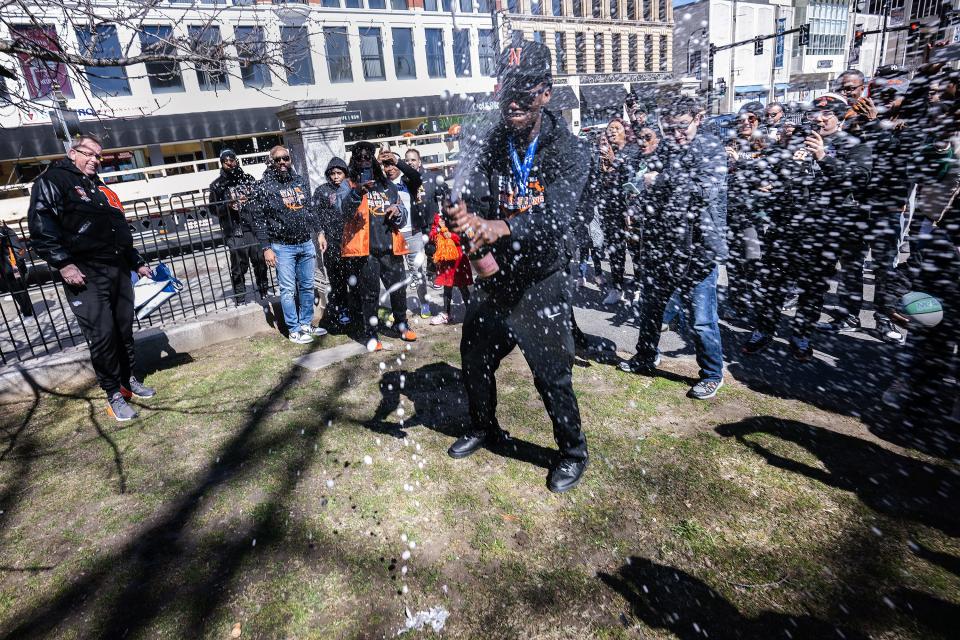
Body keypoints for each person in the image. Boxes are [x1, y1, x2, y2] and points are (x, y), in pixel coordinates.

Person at [445, 40, 592, 493]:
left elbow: (556, 218)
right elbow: (467, 200)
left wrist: (502, 227)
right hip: (498, 281)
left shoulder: (570, 149)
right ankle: (483, 427)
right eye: (507, 88)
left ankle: (572, 452)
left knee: (550, 373)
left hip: (542, 281)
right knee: (474, 356)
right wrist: (469, 227)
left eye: (525, 90)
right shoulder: (492, 141)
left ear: (546, 93)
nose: (513, 101)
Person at [27, 133, 155, 421]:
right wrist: (63, 263)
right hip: (84, 272)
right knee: (103, 335)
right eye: (90, 154)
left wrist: (135, 261)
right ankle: (113, 394)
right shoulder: (53, 181)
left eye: (99, 156)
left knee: (123, 330)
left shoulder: (99, 188)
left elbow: (118, 228)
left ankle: (127, 381)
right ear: (73, 153)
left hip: (117, 270)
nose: (96, 160)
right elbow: (41, 226)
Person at [618, 96, 728, 401]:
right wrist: (637, 201)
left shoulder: (709, 147)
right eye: (670, 128)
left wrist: (662, 180)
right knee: (651, 310)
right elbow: (644, 181)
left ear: (699, 118)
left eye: (681, 127)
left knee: (701, 319)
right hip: (662, 247)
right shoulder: (666, 147)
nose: (676, 134)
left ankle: (712, 373)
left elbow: (705, 190)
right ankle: (645, 356)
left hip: (697, 248)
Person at [341, 141, 417, 351]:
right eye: (360, 158)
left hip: (391, 248)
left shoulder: (386, 184)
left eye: (368, 157)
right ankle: (371, 335)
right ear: (354, 161)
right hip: (366, 252)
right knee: (370, 296)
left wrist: (398, 212)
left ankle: (401, 325)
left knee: (398, 290)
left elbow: (402, 216)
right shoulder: (348, 185)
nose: (365, 161)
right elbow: (344, 212)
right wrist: (358, 193)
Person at [249, 145, 328, 344]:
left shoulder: (299, 181)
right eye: (278, 160)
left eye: (286, 158)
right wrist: (266, 248)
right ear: (271, 162)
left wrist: (319, 232)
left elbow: (309, 209)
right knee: (288, 289)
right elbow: (259, 220)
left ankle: (305, 324)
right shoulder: (264, 186)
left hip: (305, 243)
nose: (283, 162)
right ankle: (293, 329)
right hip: (282, 247)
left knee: (308, 286)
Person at [722, 101, 768, 322]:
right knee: (733, 262)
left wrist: (739, 163)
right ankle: (736, 302)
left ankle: (757, 304)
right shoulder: (732, 144)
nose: (745, 123)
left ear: (759, 120)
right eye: (741, 120)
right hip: (732, 210)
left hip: (755, 214)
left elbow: (764, 177)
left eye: (751, 119)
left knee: (753, 261)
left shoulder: (767, 145)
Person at [208, 149, 268, 305]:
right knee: (239, 267)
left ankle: (264, 292)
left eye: (232, 159)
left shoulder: (248, 179)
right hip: (234, 231)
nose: (229, 162)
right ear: (221, 163)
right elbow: (213, 210)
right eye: (225, 161)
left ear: (237, 160)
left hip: (253, 228)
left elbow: (259, 199)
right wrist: (228, 205)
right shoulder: (217, 185)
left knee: (260, 262)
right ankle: (240, 298)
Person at [379, 149, 431, 319]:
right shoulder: (381, 185)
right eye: (387, 165)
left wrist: (397, 160)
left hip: (413, 233)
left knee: (417, 271)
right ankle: (398, 309)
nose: (390, 168)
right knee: (396, 275)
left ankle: (424, 303)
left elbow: (416, 176)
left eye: (393, 164)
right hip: (393, 236)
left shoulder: (408, 180)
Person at [595, 117, 640, 305]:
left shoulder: (633, 151)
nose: (612, 131)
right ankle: (617, 288)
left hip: (631, 210)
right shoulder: (604, 153)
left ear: (625, 131)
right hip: (611, 209)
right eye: (609, 129)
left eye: (616, 128)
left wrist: (615, 162)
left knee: (636, 250)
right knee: (615, 250)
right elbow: (601, 182)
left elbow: (633, 180)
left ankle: (639, 288)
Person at [313, 156, 354, 327]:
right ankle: (341, 310)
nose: (336, 176)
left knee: (354, 277)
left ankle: (356, 308)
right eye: (333, 173)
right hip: (332, 242)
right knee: (337, 280)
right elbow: (314, 214)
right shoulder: (322, 191)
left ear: (345, 173)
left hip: (351, 241)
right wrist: (320, 234)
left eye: (339, 173)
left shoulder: (352, 188)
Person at [404, 147, 443, 301]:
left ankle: (432, 275)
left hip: (430, 222)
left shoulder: (431, 177)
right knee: (414, 255)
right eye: (407, 160)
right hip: (413, 224)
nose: (410, 163)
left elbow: (443, 193)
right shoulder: (403, 180)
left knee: (432, 251)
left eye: (413, 159)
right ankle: (416, 278)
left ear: (419, 161)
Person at [428, 212, 472, 325]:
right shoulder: (438, 218)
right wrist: (439, 231)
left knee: (463, 287)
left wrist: (452, 236)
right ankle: (446, 314)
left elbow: (468, 236)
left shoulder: (461, 218)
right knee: (447, 288)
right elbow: (431, 235)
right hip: (445, 260)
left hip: (458, 260)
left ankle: (472, 314)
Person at [0, 222, 33, 317]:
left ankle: (28, 313)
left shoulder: (3, 230)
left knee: (19, 289)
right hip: (7, 265)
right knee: (14, 289)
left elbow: (15, 248)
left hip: (11, 265)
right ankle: (24, 309)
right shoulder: (4, 229)